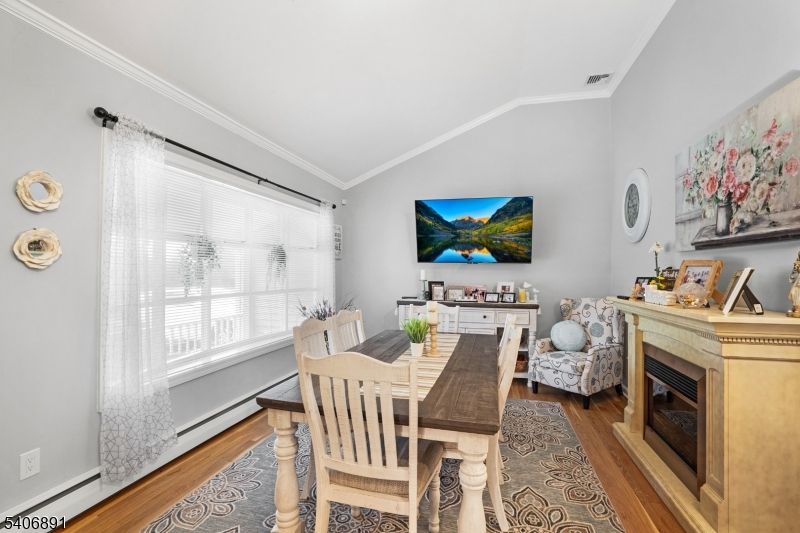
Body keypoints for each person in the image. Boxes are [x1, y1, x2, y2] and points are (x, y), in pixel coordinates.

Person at [789, 252, 800, 317]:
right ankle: (795, 306)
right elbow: (793, 274)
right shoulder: (797, 263)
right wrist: (796, 269)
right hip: (798, 280)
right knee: (794, 292)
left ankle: (798, 308)